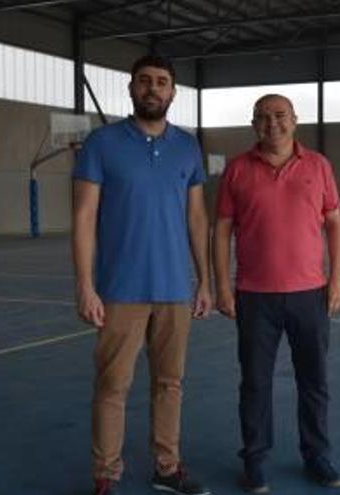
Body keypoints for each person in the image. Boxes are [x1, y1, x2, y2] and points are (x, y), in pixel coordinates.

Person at [72, 54, 212, 495]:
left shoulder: (188, 147)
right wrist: (84, 284)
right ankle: (105, 475)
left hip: (174, 289)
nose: (154, 89)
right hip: (120, 290)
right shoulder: (100, 144)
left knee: (170, 383)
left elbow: (196, 218)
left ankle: (167, 468)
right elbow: (83, 216)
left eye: (162, 82)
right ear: (131, 88)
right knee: (113, 385)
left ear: (173, 92)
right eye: (146, 81)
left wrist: (204, 279)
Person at [213, 94, 340, 493]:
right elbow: (221, 231)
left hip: (310, 295)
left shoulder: (319, 166)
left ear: (294, 120)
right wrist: (222, 286)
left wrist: (337, 279)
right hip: (255, 297)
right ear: (253, 123)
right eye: (263, 117)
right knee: (255, 383)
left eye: (280, 116)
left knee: (314, 381)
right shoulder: (237, 169)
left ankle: (316, 454)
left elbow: (335, 225)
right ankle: (254, 459)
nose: (272, 123)